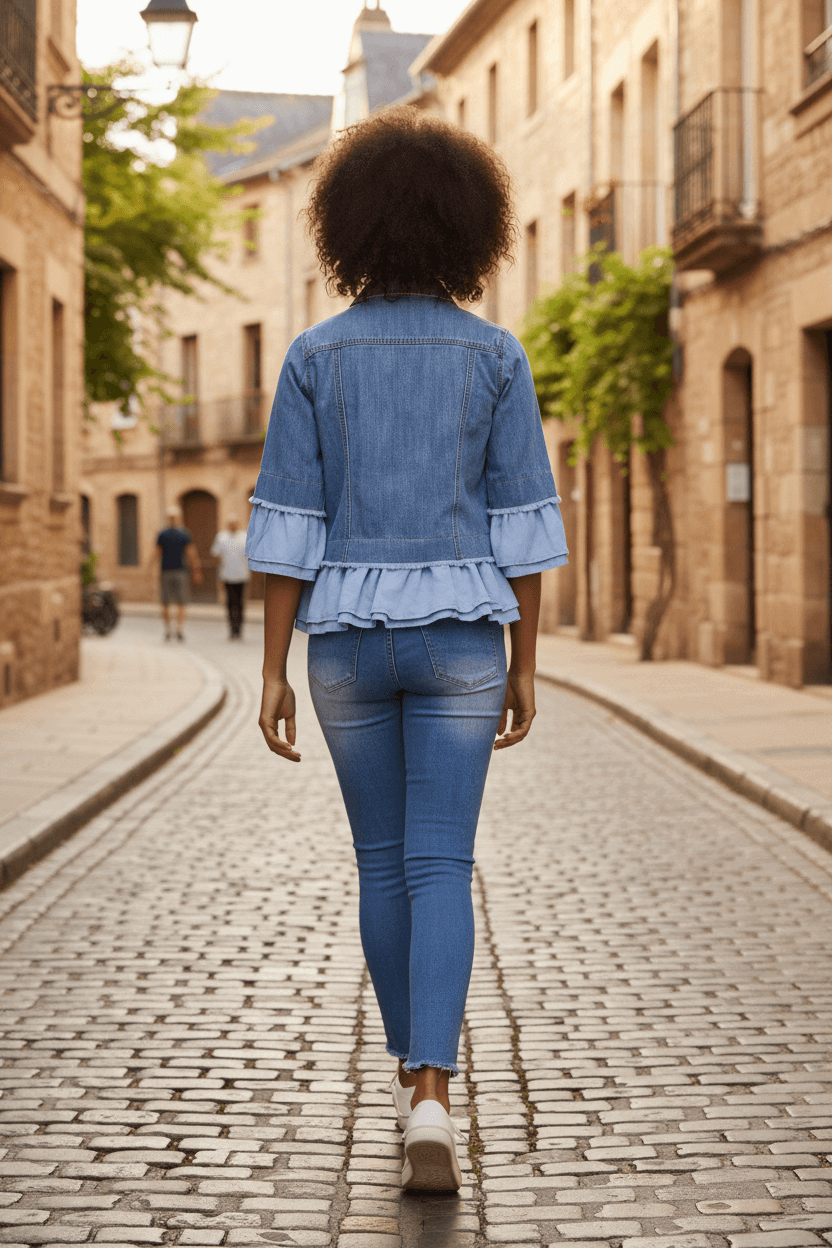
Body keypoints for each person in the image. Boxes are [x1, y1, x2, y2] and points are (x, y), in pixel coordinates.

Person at [246, 107, 568, 1191]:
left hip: (343, 641)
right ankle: (433, 1091)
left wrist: (269, 669)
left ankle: (408, 1082)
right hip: (466, 637)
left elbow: (287, 525)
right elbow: (524, 517)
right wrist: (526, 660)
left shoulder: (311, 358)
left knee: (381, 865)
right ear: (470, 230)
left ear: (350, 228)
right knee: (442, 864)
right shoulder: (495, 356)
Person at [156, 506, 202, 642]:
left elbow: (191, 554)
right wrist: (196, 571)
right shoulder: (171, 534)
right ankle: (172, 628)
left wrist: (196, 570)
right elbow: (157, 552)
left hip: (176, 571)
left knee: (177, 602)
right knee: (170, 602)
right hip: (172, 571)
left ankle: (176, 629)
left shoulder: (178, 534)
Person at [211, 516, 250, 639]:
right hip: (227, 575)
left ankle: (239, 629)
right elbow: (216, 556)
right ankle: (232, 629)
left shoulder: (244, 536)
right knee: (230, 603)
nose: (233, 526)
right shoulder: (221, 537)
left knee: (240, 603)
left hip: (242, 575)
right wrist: (219, 575)